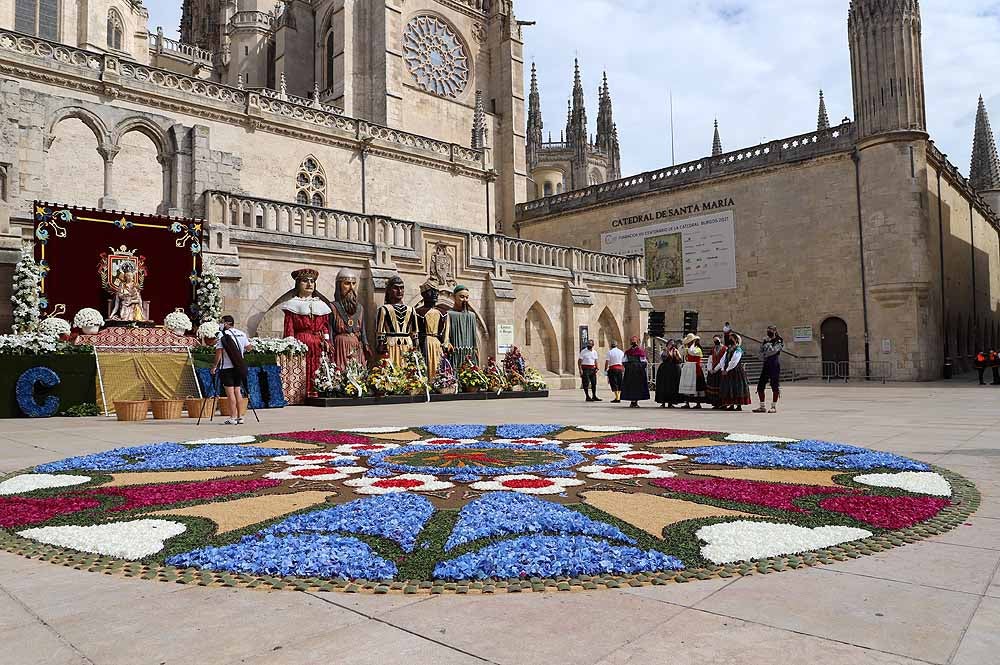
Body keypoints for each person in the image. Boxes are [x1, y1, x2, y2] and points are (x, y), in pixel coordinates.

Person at [281, 268, 331, 397]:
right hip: (301, 342)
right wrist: (290, 345)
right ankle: (301, 394)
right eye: (305, 281)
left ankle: (319, 391)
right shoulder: (292, 305)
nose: (309, 284)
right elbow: (289, 327)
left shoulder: (321, 304)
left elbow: (325, 326)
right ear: (298, 284)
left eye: (312, 281)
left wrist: (327, 341)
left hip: (318, 343)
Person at [211, 315, 253, 425]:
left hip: (227, 367)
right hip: (239, 366)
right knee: (237, 391)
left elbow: (219, 353)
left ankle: (232, 417)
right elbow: (249, 348)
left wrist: (214, 366)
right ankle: (240, 417)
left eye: (222, 322)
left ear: (226, 323)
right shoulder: (242, 333)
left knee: (230, 393)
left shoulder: (222, 335)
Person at [329, 268, 369, 370]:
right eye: (347, 283)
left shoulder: (360, 308)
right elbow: (330, 330)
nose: (351, 287)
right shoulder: (333, 307)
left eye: (353, 283)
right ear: (339, 286)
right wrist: (331, 347)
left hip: (356, 346)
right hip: (340, 346)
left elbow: (363, 330)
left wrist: (366, 344)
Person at [375, 276, 418, 367]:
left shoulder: (411, 310)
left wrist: (416, 345)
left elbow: (414, 331)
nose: (399, 291)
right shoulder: (384, 309)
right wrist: (381, 344)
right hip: (391, 343)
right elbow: (380, 331)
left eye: (402, 288)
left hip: (407, 344)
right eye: (396, 288)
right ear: (389, 290)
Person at [416, 281, 451, 380]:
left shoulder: (443, 313)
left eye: (436, 291)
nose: (435, 294)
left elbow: (446, 333)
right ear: (424, 294)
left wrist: (446, 343)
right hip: (423, 343)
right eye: (431, 291)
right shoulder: (417, 312)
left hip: (437, 344)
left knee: (438, 366)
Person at [448, 285, 479, 370]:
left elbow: (474, 338)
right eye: (461, 297)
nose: (465, 300)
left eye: (467, 297)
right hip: (454, 355)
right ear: (454, 297)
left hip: (469, 356)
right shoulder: (448, 314)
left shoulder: (472, 316)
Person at [719, 333, 752, 411]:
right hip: (728, 370)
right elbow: (723, 359)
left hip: (736, 370)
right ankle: (731, 404)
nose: (730, 339)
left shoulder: (738, 349)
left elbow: (735, 360)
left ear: (735, 339)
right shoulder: (728, 349)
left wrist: (727, 369)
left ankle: (738, 405)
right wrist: (723, 368)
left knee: (737, 387)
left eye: (731, 338)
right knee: (730, 387)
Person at [754, 325, 784, 413]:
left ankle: (773, 406)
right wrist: (766, 346)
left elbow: (774, 351)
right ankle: (762, 406)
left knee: (774, 385)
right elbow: (760, 351)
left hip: (774, 364)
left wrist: (767, 346)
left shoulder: (779, 340)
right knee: (760, 385)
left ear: (774, 331)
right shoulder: (765, 340)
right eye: (767, 330)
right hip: (766, 363)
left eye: (770, 330)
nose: (768, 332)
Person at [620, 336, 650, 408]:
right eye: (632, 341)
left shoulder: (640, 351)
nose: (634, 342)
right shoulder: (627, 352)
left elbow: (644, 361)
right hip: (630, 372)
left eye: (635, 341)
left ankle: (635, 401)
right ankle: (632, 401)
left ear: (637, 342)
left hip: (638, 372)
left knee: (637, 386)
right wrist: (628, 366)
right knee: (630, 386)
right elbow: (624, 361)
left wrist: (638, 366)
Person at [678, 333, 706, 409]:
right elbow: (680, 352)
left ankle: (698, 403)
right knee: (687, 384)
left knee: (697, 385)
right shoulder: (688, 349)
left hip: (695, 368)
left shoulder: (697, 349)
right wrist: (683, 345)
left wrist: (693, 343)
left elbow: (691, 352)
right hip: (689, 368)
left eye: (690, 342)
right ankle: (687, 403)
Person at [655, 339, 683, 408]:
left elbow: (679, 360)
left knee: (672, 386)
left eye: (673, 344)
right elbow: (664, 358)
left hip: (674, 370)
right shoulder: (664, 351)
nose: (671, 345)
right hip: (665, 370)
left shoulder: (676, 351)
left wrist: (676, 354)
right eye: (670, 344)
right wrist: (668, 352)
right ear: (667, 345)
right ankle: (663, 402)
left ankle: (671, 402)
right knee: (664, 386)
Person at [706, 334, 727, 409]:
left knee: (721, 387)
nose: (715, 341)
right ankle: (716, 403)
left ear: (720, 340)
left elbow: (723, 361)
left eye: (717, 340)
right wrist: (710, 369)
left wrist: (716, 369)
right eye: (714, 340)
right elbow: (710, 359)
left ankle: (722, 404)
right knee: (713, 387)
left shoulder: (724, 349)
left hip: (720, 370)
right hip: (713, 371)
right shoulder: (713, 349)